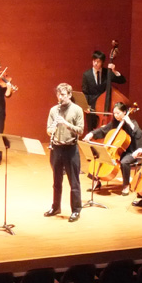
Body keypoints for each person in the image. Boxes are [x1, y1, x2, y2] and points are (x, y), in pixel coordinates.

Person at [83, 102, 142, 196]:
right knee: (98, 156)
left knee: (124, 162)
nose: (116, 115)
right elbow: (102, 130)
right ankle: (96, 181)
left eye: (118, 113)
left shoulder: (132, 122)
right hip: (115, 150)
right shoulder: (114, 123)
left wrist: (129, 122)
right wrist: (91, 134)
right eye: (114, 113)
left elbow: (139, 134)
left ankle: (126, 185)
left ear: (124, 112)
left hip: (130, 150)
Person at [44, 83, 84, 222]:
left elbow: (80, 130)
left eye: (63, 95)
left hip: (70, 149)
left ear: (70, 95)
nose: (60, 97)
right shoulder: (53, 110)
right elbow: (48, 130)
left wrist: (66, 124)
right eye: (59, 94)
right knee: (56, 181)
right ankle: (56, 207)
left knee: (74, 182)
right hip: (56, 148)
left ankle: (76, 210)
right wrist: (52, 129)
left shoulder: (77, 110)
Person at [82, 50, 126, 131]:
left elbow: (122, 80)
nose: (95, 63)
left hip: (104, 107)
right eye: (94, 61)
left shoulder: (107, 73)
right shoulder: (86, 75)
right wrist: (86, 106)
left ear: (102, 62)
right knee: (91, 131)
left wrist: (114, 71)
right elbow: (85, 93)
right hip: (91, 109)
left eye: (98, 61)